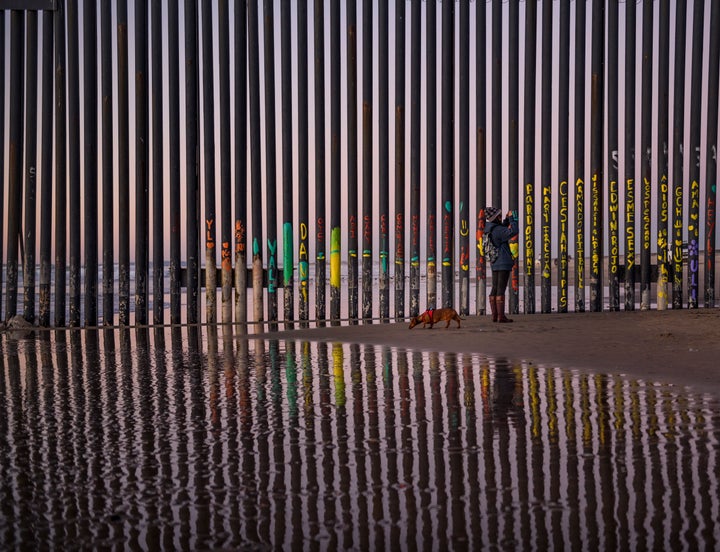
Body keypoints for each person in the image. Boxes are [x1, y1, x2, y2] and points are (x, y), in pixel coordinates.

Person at [484, 206, 519, 323]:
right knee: (501, 289)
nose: (500, 217)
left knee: (494, 287)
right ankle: (501, 317)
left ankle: (495, 316)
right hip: (503, 261)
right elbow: (513, 231)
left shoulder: (490, 229)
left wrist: (505, 220)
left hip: (494, 262)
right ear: (496, 217)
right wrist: (512, 220)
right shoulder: (498, 230)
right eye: (499, 216)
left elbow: (501, 230)